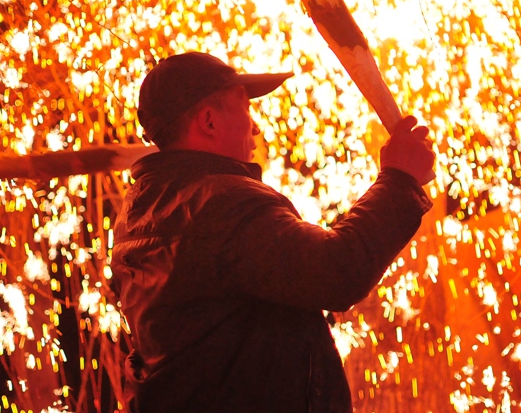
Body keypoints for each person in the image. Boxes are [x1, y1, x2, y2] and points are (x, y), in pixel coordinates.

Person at [112, 52, 435, 412]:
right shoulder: (221, 203)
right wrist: (398, 180)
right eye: (245, 110)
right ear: (208, 121)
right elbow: (335, 271)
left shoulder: (138, 213)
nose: (256, 128)